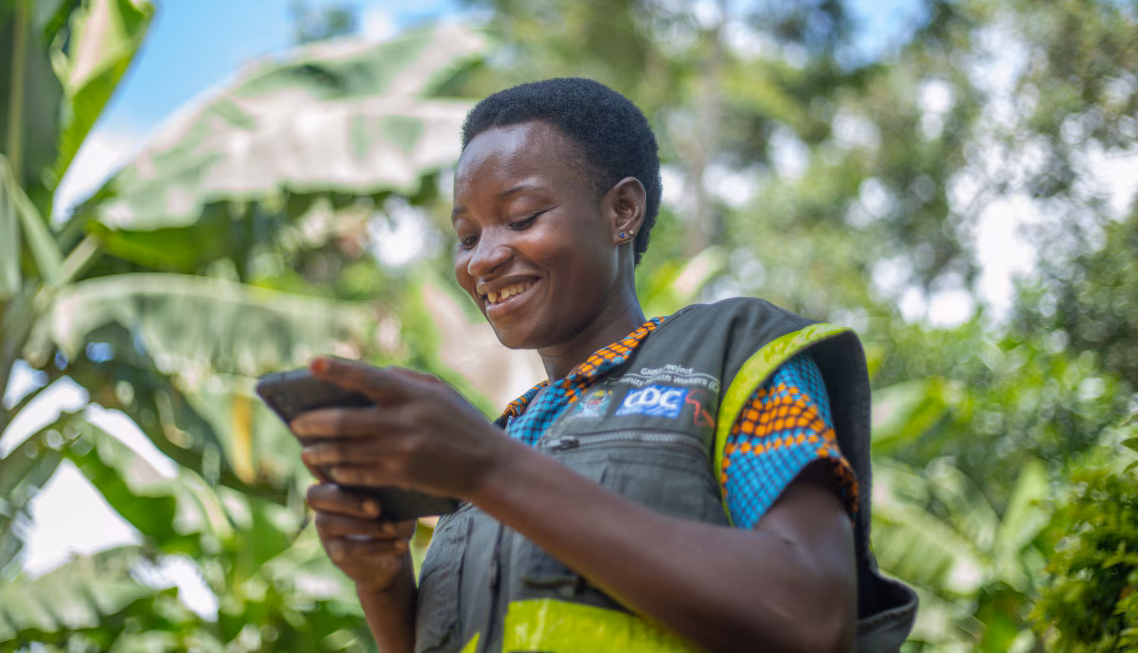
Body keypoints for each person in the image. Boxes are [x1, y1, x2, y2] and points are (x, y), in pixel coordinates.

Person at [289, 78, 917, 652]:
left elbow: (810, 617)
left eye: (521, 218)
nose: (483, 258)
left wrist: (487, 467)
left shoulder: (732, 354)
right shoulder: (499, 439)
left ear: (622, 212)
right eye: (468, 235)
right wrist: (383, 582)